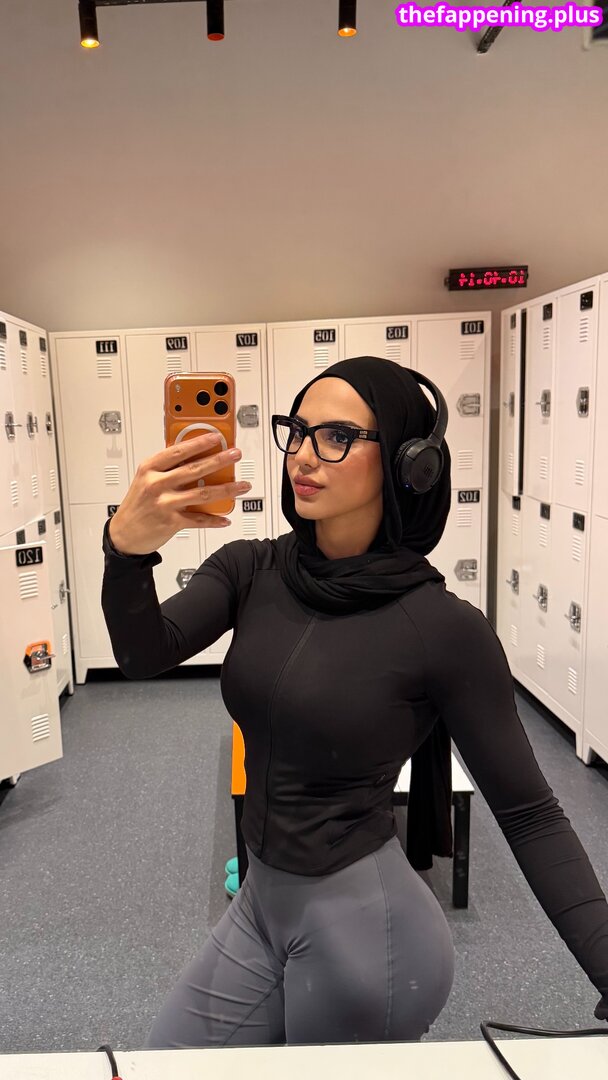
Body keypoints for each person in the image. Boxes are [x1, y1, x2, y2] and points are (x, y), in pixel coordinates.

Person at [101, 356, 608, 1048]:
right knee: (167, 1062)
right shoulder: (251, 569)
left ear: (409, 465)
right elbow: (143, 655)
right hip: (260, 906)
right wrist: (125, 552)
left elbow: (531, 814)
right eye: (297, 431)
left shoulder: (443, 628)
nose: (304, 455)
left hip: (369, 936)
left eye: (336, 436)